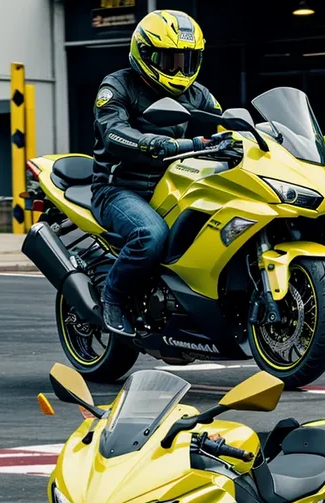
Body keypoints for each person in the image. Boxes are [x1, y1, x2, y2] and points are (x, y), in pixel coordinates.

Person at [91, 9, 223, 336]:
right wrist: (155, 142)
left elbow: (226, 128)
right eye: (169, 60)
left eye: (186, 61)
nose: (179, 70)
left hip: (174, 187)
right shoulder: (117, 86)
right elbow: (113, 132)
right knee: (151, 236)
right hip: (119, 190)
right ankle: (113, 297)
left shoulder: (199, 95)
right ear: (145, 54)